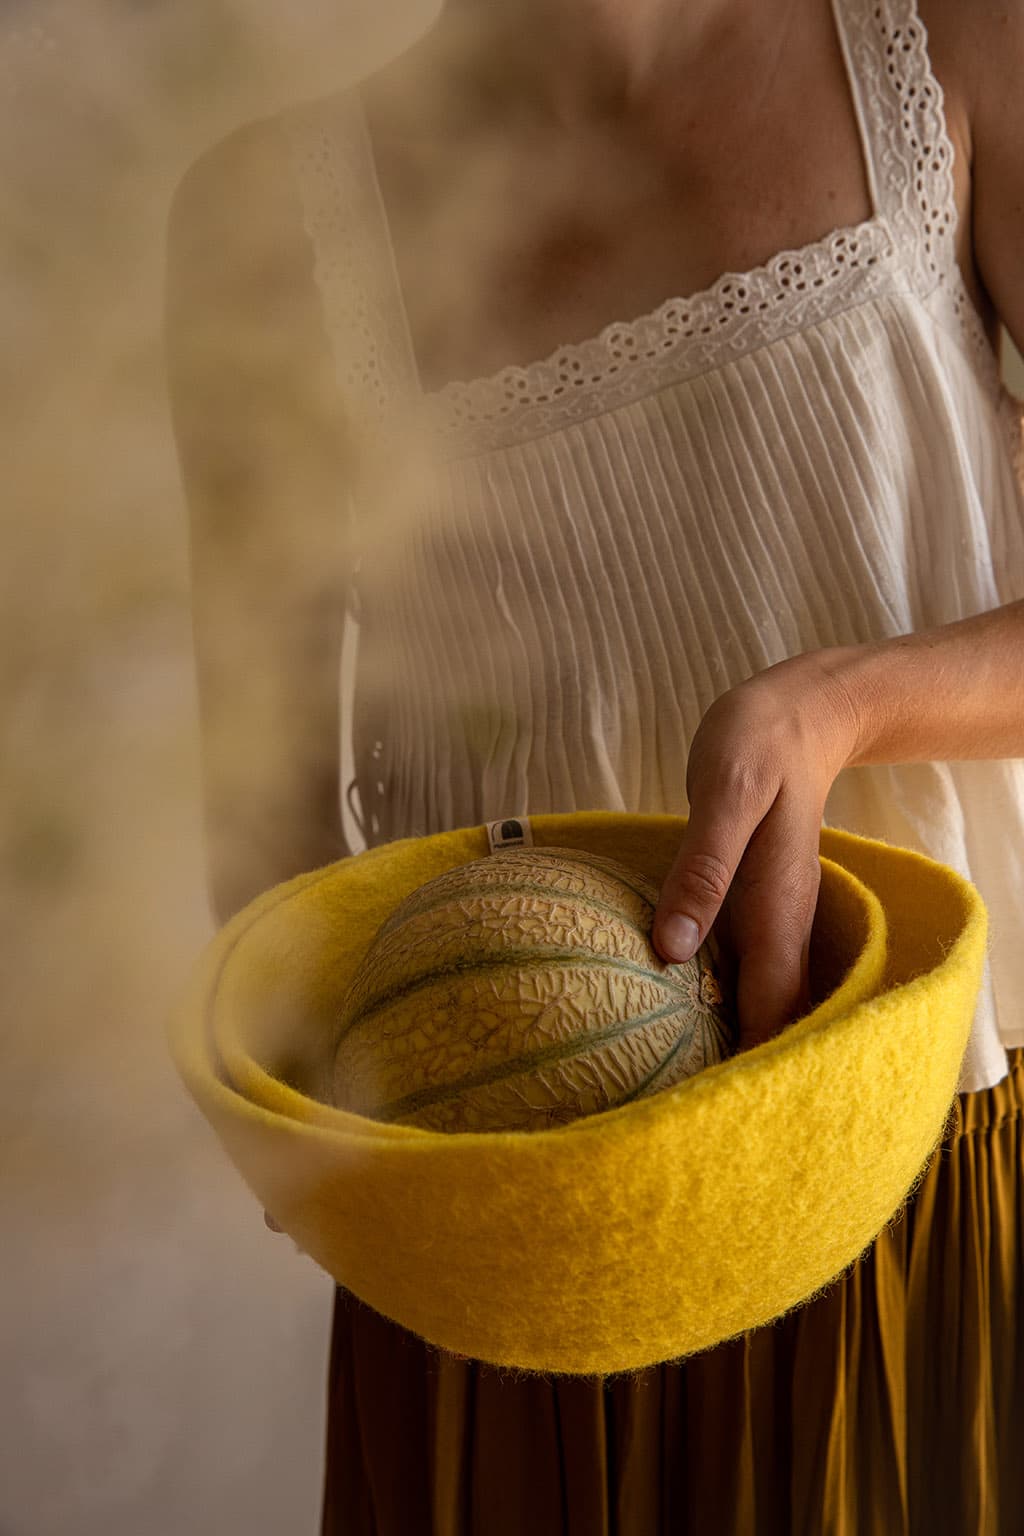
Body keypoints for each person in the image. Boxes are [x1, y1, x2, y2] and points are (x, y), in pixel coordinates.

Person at [165, 0, 1024, 1529]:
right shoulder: (259, 221)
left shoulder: (956, 42)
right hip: (512, 1229)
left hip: (931, 1150)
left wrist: (842, 705)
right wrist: (371, 1137)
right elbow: (269, 831)